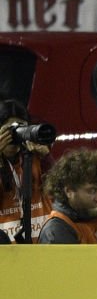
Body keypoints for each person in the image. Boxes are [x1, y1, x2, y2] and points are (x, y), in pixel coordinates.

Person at [0, 100, 52, 243]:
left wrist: (47, 159)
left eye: (19, 129)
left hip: (42, 248)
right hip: (6, 253)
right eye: (8, 131)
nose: (14, 137)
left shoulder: (36, 159)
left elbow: (63, 193)